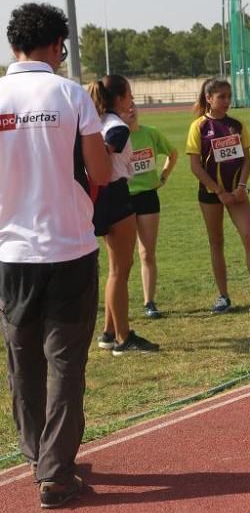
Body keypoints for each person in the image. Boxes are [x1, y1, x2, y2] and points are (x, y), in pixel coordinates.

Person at [0, 2, 111, 507]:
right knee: (65, 362)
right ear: (56, 45)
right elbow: (101, 172)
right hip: (68, 246)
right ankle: (56, 472)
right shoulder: (69, 95)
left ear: (13, 44)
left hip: (11, 251)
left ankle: (38, 456)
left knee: (23, 360)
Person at [187, 78, 250, 314]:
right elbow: (195, 167)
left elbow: (246, 160)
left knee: (249, 236)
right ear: (209, 98)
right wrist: (219, 191)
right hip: (211, 194)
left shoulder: (237, 124)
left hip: (238, 193)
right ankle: (223, 297)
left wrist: (241, 187)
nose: (226, 101)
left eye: (229, 96)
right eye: (221, 97)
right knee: (216, 242)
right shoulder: (198, 127)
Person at [88, 76, 159, 355]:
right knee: (121, 269)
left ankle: (108, 332)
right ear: (120, 97)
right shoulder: (117, 128)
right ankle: (123, 337)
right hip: (115, 194)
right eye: (129, 94)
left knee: (116, 269)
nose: (132, 99)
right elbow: (99, 157)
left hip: (103, 196)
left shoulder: (98, 121)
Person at [125, 103, 177, 318]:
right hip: (124, 199)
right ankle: (120, 304)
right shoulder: (115, 136)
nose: (131, 110)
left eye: (133, 106)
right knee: (124, 258)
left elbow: (173, 153)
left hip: (148, 197)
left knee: (147, 253)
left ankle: (149, 302)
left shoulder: (151, 133)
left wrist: (163, 176)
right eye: (126, 107)